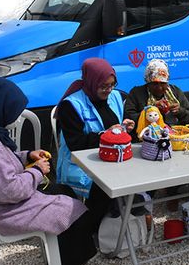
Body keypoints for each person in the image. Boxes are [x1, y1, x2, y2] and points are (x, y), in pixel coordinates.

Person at [0, 78, 97, 265]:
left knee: (64, 190)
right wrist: (37, 170)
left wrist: (27, 156)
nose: (16, 117)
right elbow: (9, 190)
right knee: (76, 211)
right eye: (13, 112)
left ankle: (59, 254)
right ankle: (67, 263)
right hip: (1, 214)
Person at [56, 58, 135, 226]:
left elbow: (119, 126)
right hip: (82, 164)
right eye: (103, 86)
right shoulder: (71, 105)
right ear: (91, 81)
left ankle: (120, 224)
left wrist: (126, 127)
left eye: (112, 84)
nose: (109, 90)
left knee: (140, 179)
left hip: (112, 160)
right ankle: (92, 230)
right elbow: (76, 144)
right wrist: (105, 135)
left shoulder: (115, 96)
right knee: (103, 189)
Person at [125, 58, 189, 139]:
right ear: (148, 82)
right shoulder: (136, 93)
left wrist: (180, 111)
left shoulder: (175, 92)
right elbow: (128, 119)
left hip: (173, 138)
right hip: (145, 140)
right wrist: (151, 110)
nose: (159, 88)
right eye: (155, 84)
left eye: (163, 83)